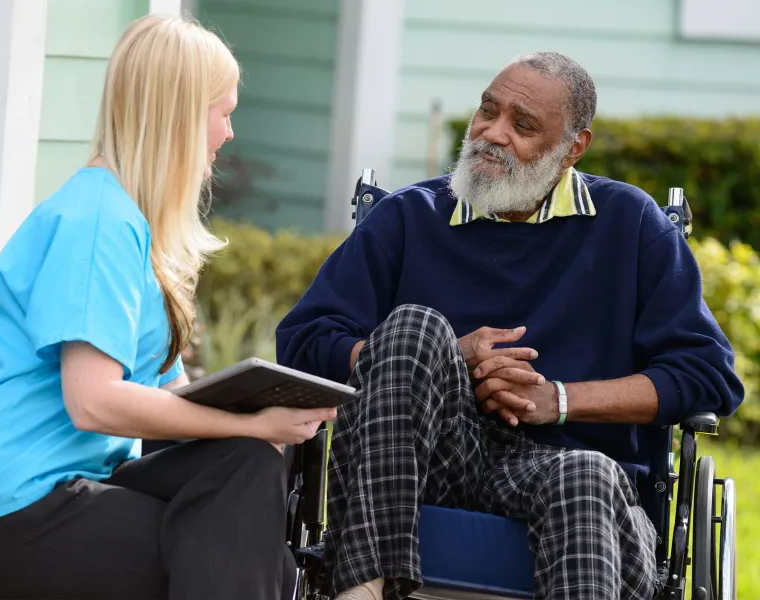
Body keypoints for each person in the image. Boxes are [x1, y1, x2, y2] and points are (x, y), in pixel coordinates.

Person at [276, 52, 744, 600]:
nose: (492, 134)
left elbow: (709, 375)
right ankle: (364, 589)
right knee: (415, 329)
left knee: (584, 476)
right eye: (487, 111)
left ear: (573, 148)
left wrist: (559, 400)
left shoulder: (631, 226)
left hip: (569, 475)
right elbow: (303, 341)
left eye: (522, 126)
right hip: (423, 465)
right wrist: (440, 361)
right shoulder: (408, 218)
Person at [0, 14, 335, 600]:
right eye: (223, 112)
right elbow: (92, 400)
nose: (229, 133)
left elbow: (168, 400)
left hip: (81, 483)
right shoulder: (95, 224)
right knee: (238, 551)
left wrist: (260, 417)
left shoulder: (131, 225)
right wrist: (249, 422)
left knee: (247, 468)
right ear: (181, 116)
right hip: (18, 509)